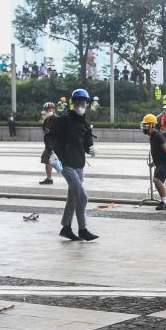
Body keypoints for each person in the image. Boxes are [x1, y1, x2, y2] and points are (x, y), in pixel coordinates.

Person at [47, 89, 98, 241]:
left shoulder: (86, 124)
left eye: (83, 102)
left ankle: (66, 227)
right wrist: (51, 152)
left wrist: (92, 149)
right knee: (82, 196)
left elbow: (88, 144)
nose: (81, 105)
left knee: (73, 198)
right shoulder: (64, 120)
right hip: (66, 164)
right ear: (73, 103)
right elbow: (50, 136)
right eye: (78, 102)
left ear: (87, 104)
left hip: (79, 164)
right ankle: (83, 229)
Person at [142, 113, 166, 211]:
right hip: (161, 163)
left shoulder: (158, 136)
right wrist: (153, 163)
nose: (144, 127)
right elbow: (158, 152)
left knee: (156, 180)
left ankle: (164, 202)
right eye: (143, 125)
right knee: (159, 182)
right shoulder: (152, 136)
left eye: (146, 125)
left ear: (152, 125)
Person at [39, 102, 58, 185]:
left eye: (51, 109)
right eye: (47, 109)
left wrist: (52, 148)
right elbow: (45, 131)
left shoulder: (56, 119)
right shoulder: (46, 119)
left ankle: (49, 178)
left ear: (54, 109)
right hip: (49, 145)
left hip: (54, 145)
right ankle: (49, 178)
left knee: (49, 161)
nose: (49, 110)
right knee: (47, 161)